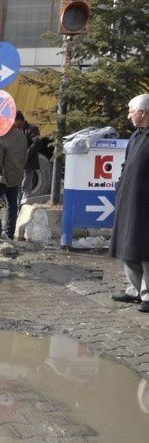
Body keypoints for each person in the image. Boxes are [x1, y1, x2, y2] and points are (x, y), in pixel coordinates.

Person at [109, 93, 149, 313]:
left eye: (131, 111)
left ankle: (147, 295)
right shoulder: (135, 136)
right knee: (127, 247)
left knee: (144, 250)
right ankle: (135, 290)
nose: (128, 115)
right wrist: (120, 186)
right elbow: (126, 165)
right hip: (128, 199)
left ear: (142, 112)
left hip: (145, 204)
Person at [0, 127, 27, 239]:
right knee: (12, 205)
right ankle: (9, 233)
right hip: (16, 175)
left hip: (3, 178)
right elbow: (24, 156)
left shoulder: (2, 138)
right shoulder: (22, 136)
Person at [14, 111, 41, 203]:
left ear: (19, 120)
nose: (13, 123)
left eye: (14, 121)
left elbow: (37, 143)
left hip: (28, 163)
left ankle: (25, 206)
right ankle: (18, 207)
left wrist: (26, 154)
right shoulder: (16, 131)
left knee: (25, 187)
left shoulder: (32, 129)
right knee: (17, 188)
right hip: (18, 164)